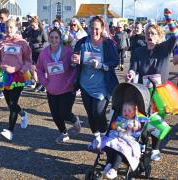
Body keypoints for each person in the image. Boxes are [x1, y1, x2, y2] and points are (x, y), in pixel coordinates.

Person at [126, 8, 178, 161]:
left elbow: (175, 35)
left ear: (159, 36)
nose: (150, 36)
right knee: (142, 119)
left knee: (156, 121)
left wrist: (168, 19)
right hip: (143, 91)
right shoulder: (139, 51)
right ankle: (142, 143)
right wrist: (131, 74)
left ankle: (155, 148)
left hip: (161, 92)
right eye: (148, 33)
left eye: (153, 34)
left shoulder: (164, 48)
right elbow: (133, 68)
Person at [72, 16, 119, 150]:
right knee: (90, 114)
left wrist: (101, 65)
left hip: (103, 86)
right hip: (85, 84)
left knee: (98, 112)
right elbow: (74, 60)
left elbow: (114, 62)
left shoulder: (108, 44)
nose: (94, 31)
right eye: (91, 28)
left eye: (97, 29)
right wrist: (74, 60)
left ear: (102, 29)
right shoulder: (82, 42)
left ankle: (104, 137)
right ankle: (97, 138)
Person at [36, 28, 81, 143]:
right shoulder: (44, 53)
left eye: (56, 37)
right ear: (48, 38)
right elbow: (39, 69)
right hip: (52, 89)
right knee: (55, 115)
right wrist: (45, 82)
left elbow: (75, 68)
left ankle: (75, 120)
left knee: (65, 113)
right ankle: (64, 133)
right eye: (51, 37)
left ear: (60, 39)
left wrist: (70, 81)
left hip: (67, 88)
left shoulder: (68, 51)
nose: (54, 40)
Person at [0, 19, 32, 141]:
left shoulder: (22, 43)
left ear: (16, 28)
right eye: (7, 28)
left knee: (12, 103)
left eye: (11, 27)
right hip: (4, 76)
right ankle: (23, 113)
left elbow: (28, 60)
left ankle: (10, 131)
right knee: (9, 103)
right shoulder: (1, 42)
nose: (9, 30)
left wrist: (23, 69)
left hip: (18, 75)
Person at [100, 101, 143, 179]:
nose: (126, 112)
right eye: (124, 110)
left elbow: (137, 129)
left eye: (129, 111)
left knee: (120, 148)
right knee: (108, 144)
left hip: (128, 140)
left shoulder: (135, 121)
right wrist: (117, 126)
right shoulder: (120, 118)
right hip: (117, 137)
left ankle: (114, 169)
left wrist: (132, 127)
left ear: (134, 112)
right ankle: (109, 163)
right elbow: (113, 125)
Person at [27, 17, 48, 92]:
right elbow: (26, 37)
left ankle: (43, 84)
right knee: (32, 69)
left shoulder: (42, 31)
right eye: (31, 25)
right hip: (32, 52)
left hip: (41, 52)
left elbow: (46, 42)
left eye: (33, 25)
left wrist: (40, 46)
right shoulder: (31, 31)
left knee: (41, 69)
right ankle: (38, 83)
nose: (32, 27)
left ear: (37, 24)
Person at [0, 8, 9, 99]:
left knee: (4, 72)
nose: (0, 19)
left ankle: (3, 90)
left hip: (7, 53)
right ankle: (0, 90)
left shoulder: (10, 26)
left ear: (7, 16)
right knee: (0, 72)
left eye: (2, 17)